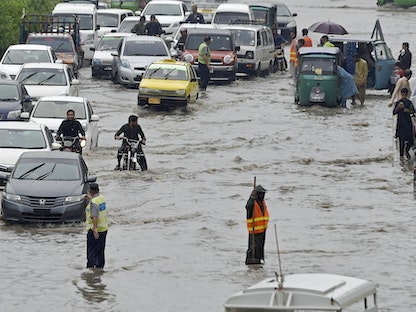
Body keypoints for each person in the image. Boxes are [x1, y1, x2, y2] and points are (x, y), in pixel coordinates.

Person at [85, 183, 108, 269]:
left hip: (95, 231)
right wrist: (91, 199)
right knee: (100, 252)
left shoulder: (94, 203)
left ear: (90, 191)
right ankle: (99, 269)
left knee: (91, 252)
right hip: (103, 229)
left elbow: (95, 216)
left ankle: (91, 271)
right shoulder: (101, 198)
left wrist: (95, 229)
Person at [245, 185, 269, 265]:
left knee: (260, 247)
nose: (263, 195)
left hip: (262, 229)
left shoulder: (262, 202)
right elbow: (248, 206)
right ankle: (251, 261)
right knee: (253, 248)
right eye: (261, 194)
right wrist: (252, 197)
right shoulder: (252, 202)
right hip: (254, 230)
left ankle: (259, 260)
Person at [393, 88, 415, 159]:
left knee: (411, 140)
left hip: (408, 124)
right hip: (400, 125)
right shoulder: (398, 103)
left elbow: (413, 111)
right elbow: (394, 112)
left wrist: (407, 110)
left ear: (407, 94)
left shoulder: (409, 103)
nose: (404, 95)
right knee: (401, 142)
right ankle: (401, 158)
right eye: (403, 94)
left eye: (405, 94)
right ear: (401, 94)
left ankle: (407, 150)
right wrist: (398, 108)